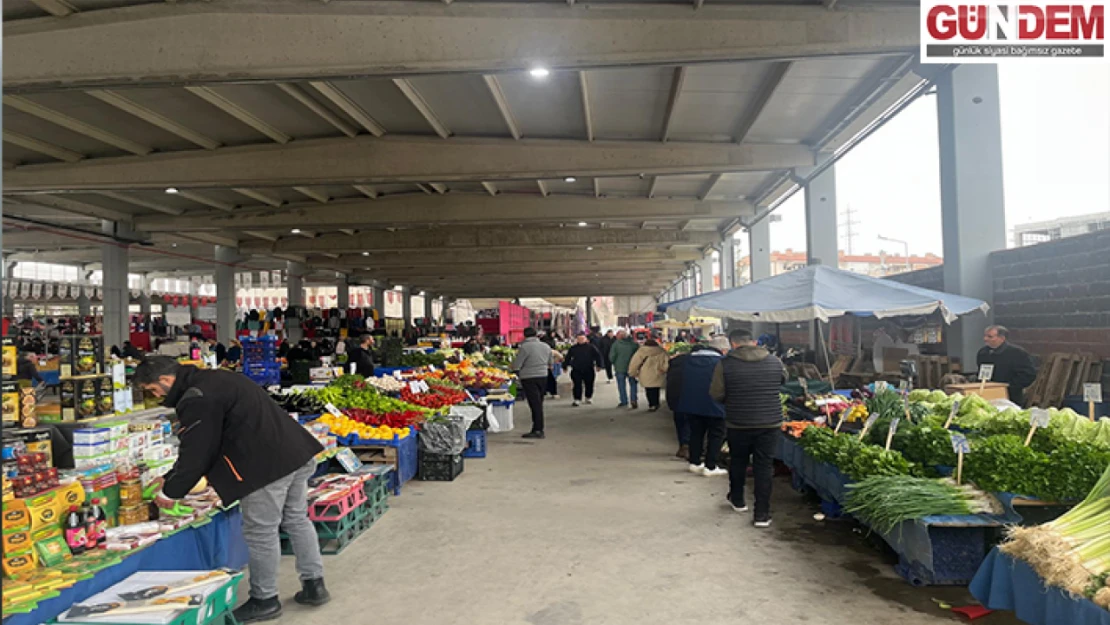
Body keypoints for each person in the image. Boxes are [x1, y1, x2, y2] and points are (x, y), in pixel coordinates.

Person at [134, 357, 328, 622]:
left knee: (261, 531)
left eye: (153, 390)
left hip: (265, 466)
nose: (155, 396)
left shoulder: (196, 398)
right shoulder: (219, 378)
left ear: (167, 380)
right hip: (295, 451)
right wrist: (169, 477)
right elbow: (207, 442)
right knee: (296, 519)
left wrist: (171, 492)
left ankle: (265, 599)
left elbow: (198, 452)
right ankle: (314, 585)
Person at [710, 328, 786, 528]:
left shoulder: (725, 364)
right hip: (770, 422)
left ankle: (738, 500)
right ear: (752, 342)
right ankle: (762, 514)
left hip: (739, 422)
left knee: (738, 461)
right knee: (764, 466)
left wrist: (734, 399)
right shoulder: (774, 361)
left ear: (732, 343)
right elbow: (782, 381)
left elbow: (716, 393)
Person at [677, 337, 729, 476]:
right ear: (723, 349)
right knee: (716, 435)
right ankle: (710, 466)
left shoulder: (688, 360)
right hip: (716, 404)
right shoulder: (722, 362)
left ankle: (694, 462)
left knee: (696, 433)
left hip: (691, 403)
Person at [977, 325, 1038, 405]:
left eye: (990, 337)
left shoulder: (1017, 353)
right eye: (985, 336)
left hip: (1011, 396)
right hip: (988, 394)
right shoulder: (983, 353)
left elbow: (1029, 375)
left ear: (1002, 338)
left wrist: (1009, 386)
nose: (985, 339)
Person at [511, 327, 553, 439]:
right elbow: (551, 362)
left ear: (525, 335)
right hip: (543, 376)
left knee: (535, 404)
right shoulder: (546, 346)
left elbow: (517, 364)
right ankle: (538, 428)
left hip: (529, 377)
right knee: (539, 402)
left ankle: (538, 430)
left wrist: (515, 370)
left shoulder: (524, 347)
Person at [627, 337, 668, 412]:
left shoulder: (641, 352)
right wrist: (664, 369)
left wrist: (632, 372)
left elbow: (634, 363)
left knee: (648, 389)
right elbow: (667, 362)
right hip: (658, 373)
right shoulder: (662, 351)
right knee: (656, 389)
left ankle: (651, 404)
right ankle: (656, 403)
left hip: (645, 373)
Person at [665, 347, 691, 461]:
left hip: (675, 400)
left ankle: (683, 445)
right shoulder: (693, 368)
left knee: (680, 423)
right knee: (690, 423)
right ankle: (688, 446)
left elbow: (669, 386)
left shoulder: (673, 368)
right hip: (690, 400)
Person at [563, 333, 603, 406]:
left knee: (589, 384)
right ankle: (577, 399)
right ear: (577, 340)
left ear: (586, 339)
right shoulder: (573, 348)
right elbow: (568, 357)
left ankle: (588, 397)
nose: (580, 340)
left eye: (582, 339)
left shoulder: (591, 347)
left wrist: (599, 365)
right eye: (579, 339)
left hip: (588, 368)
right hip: (576, 369)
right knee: (577, 384)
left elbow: (598, 356)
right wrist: (564, 366)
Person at [609, 330, 640, 408]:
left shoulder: (616, 344)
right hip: (632, 367)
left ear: (619, 336)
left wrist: (614, 363)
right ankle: (633, 399)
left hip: (620, 368)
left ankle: (624, 401)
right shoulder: (634, 344)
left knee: (621, 385)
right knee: (633, 384)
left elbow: (612, 356)